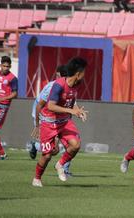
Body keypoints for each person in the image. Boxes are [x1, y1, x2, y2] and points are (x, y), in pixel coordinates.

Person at [32, 57, 88, 187]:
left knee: (76, 145)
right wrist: (37, 124)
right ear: (78, 73)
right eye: (84, 71)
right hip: (49, 122)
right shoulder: (58, 85)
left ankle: (60, 164)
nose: (85, 74)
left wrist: (77, 111)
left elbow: (71, 103)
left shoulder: (76, 85)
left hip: (63, 121)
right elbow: (50, 106)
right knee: (47, 156)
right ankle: (37, 178)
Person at [29, 65, 72, 176]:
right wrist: (38, 125)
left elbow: (70, 105)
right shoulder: (52, 87)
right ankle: (35, 146)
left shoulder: (69, 87)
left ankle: (65, 169)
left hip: (57, 118)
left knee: (59, 148)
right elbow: (40, 105)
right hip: (44, 117)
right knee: (50, 151)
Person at [0, 56, 18, 160]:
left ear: (10, 66)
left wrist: (2, 98)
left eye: (8, 66)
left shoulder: (13, 78)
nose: (6, 68)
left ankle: (2, 154)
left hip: (2, 107)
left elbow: (14, 94)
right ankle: (1, 154)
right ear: (0, 65)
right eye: (4, 66)